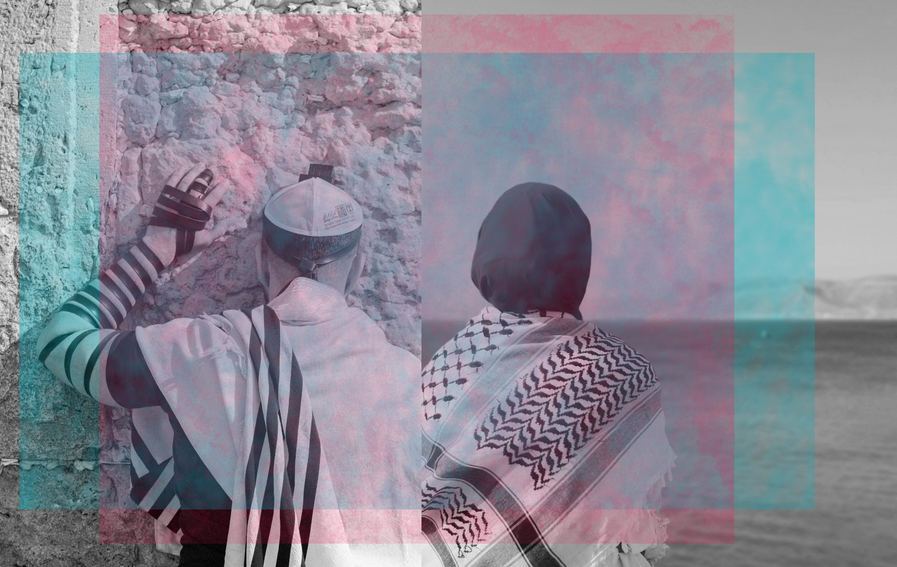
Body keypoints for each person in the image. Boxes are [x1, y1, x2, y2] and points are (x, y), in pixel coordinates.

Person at [36, 163, 421, 566]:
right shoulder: (410, 383)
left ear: (259, 262)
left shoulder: (200, 351)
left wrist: (153, 252)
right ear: (358, 271)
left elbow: (61, 341)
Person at [420, 183, 675, 567]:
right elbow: (628, 522)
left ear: (486, 258)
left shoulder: (457, 353)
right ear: (579, 264)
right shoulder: (622, 372)